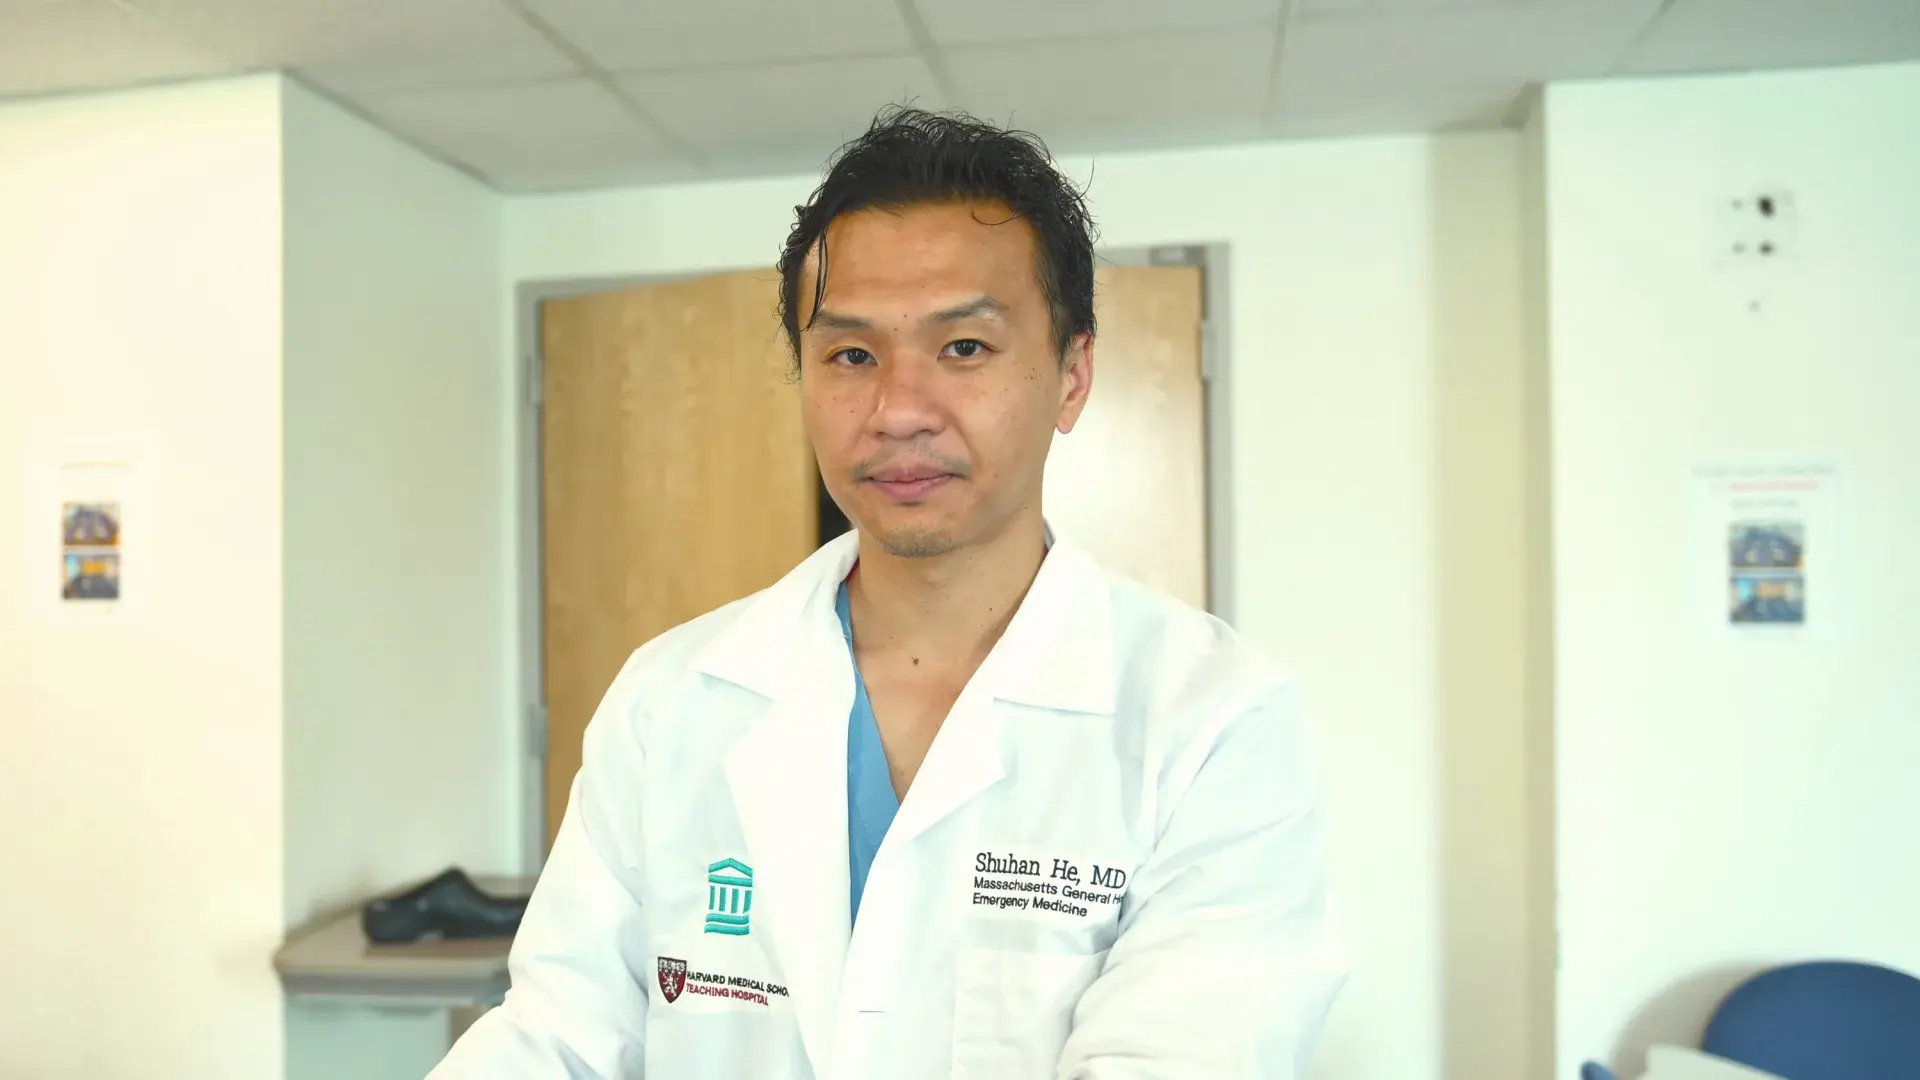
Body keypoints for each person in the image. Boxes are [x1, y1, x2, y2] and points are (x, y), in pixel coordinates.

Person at [431, 105, 1346, 1080]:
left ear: (1072, 375)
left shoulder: (1210, 721)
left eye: (964, 349)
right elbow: (556, 1035)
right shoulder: (673, 701)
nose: (899, 410)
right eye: (851, 356)